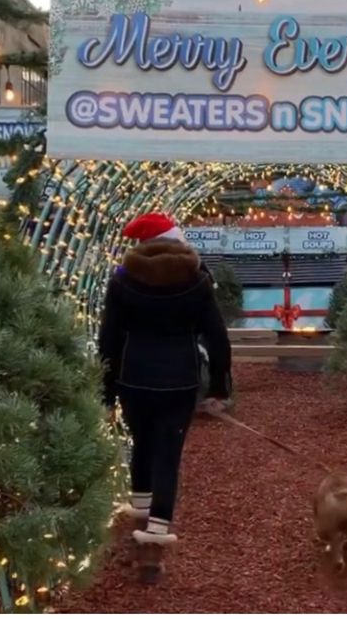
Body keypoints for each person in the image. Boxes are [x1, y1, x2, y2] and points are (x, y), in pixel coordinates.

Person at [98, 212, 232, 584]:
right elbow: (218, 338)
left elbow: (109, 339)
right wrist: (219, 386)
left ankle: (139, 540)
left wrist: (107, 391)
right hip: (180, 381)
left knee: (141, 449)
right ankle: (153, 551)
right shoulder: (197, 279)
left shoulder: (123, 279)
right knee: (167, 461)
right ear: (177, 240)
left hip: (134, 379)